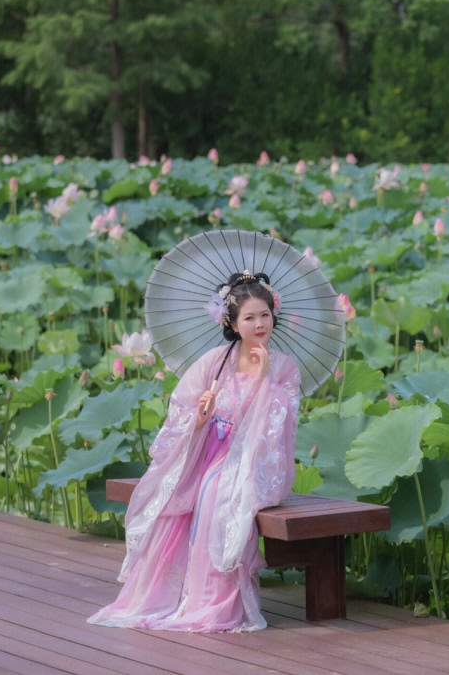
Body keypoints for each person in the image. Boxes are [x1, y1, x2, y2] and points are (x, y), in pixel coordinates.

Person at [88, 270, 301, 632]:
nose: (260, 323)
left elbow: (280, 428)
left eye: (265, 314)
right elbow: (180, 412)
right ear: (232, 323)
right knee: (178, 490)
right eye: (249, 317)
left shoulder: (283, 367)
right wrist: (200, 418)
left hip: (255, 461)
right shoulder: (214, 361)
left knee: (217, 488)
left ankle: (213, 597)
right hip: (206, 451)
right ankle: (181, 592)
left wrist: (265, 381)